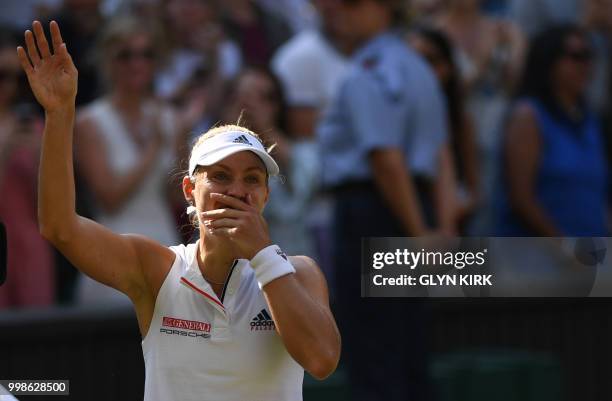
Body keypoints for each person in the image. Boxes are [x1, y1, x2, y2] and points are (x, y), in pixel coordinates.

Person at [18, 20, 340, 400]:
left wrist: (263, 255)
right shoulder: (158, 268)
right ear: (190, 189)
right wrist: (59, 114)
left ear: (265, 196)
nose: (237, 190)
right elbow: (60, 227)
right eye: (221, 176)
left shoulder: (299, 272)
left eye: (252, 179)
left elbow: (321, 361)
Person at [317, 1, 453, 400]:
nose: (342, 10)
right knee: (410, 351)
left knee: (376, 358)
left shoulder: (370, 69)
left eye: (355, 3)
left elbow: (385, 159)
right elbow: (441, 156)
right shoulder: (419, 67)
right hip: (414, 208)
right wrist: (440, 228)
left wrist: (419, 234)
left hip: (376, 213)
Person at [496, 25, 609, 236]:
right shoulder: (528, 116)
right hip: (537, 258)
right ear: (548, 60)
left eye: (589, 56)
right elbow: (521, 199)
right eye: (576, 56)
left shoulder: (590, 121)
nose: (585, 65)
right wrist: (564, 248)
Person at [221, 66, 319, 257]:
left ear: (279, 104)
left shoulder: (302, 151)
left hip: (289, 261)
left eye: (263, 97)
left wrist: (265, 129)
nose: (251, 105)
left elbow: (307, 185)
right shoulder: (206, 150)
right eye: (241, 96)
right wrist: (230, 131)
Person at [0, 29, 54, 308]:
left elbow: (50, 206)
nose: (10, 86)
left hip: (29, 243)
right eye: (2, 75)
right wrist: (5, 150)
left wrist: (38, 160)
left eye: (18, 78)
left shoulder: (32, 127)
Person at [408, 27, 480, 232]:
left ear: (447, 67)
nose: (422, 69)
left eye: (430, 60)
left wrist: (451, 211)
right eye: (413, 60)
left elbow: (474, 189)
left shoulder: (460, 119)